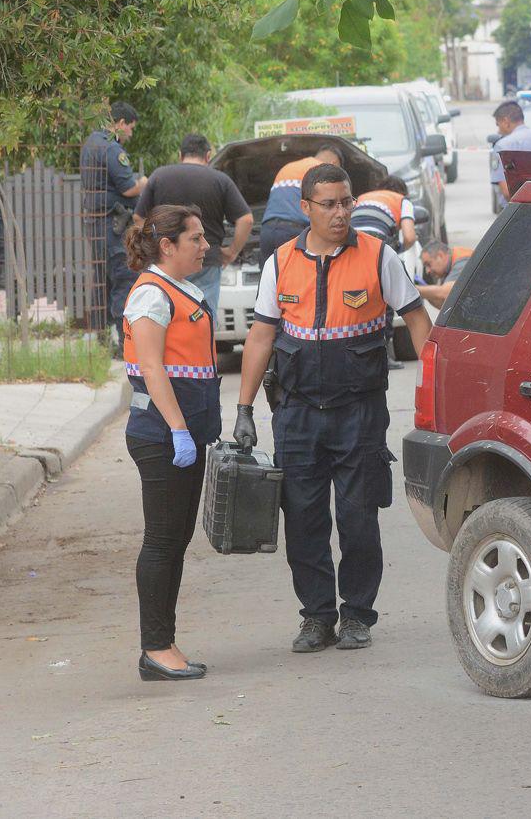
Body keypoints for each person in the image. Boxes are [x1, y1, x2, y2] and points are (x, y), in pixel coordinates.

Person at [234, 163, 432, 654]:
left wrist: (432, 389)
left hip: (359, 411)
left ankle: (358, 614)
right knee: (303, 518)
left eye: (346, 202)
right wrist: (242, 410)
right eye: (330, 204)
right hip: (297, 413)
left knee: (358, 516)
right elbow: (261, 336)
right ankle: (317, 616)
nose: (341, 213)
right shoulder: (280, 261)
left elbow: (417, 319)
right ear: (306, 209)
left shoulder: (378, 256)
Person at [120, 204, 220, 681]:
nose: (205, 246)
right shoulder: (150, 295)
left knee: (175, 539)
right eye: (196, 239)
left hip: (182, 434)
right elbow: (152, 367)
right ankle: (156, 648)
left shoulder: (178, 290)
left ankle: (165, 643)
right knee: (162, 541)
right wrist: (179, 429)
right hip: (162, 436)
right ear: (168, 246)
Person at [132, 134, 252, 315]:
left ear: (180, 155)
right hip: (206, 259)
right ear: (208, 155)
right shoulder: (220, 180)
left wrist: (157, 247)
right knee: (203, 318)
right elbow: (246, 220)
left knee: (166, 316)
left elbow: (139, 218)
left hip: (168, 260)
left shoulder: (159, 176)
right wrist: (231, 252)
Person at [81, 101, 149, 349]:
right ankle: (123, 343)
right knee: (123, 278)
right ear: (120, 124)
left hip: (96, 224)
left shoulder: (91, 143)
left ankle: (100, 340)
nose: (130, 133)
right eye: (130, 127)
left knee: (102, 281)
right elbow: (128, 188)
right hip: (113, 226)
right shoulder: (111, 148)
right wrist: (143, 182)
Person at [350, 175, 417, 370]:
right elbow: (410, 235)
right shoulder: (402, 200)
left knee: (352, 294)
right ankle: (383, 356)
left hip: (350, 239)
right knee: (385, 296)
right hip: (377, 239)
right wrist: (397, 250)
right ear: (402, 191)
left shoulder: (363, 196)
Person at [257, 144, 343, 264]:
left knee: (271, 278)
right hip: (293, 232)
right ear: (334, 163)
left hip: (267, 231)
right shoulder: (320, 171)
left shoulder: (288, 167)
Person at [350, 175, 417, 252]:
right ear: (404, 192)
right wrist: (399, 249)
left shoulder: (362, 197)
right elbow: (409, 238)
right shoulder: (403, 200)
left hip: (350, 237)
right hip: (377, 237)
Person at [415, 242, 473, 308]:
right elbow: (444, 305)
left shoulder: (462, 261)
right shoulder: (447, 267)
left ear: (440, 255)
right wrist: (426, 293)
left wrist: (415, 289)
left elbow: (446, 293)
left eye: (428, 264)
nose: (427, 271)